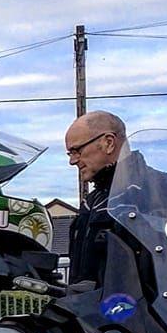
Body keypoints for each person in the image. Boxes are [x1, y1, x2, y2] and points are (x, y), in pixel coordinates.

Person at [63, 110, 126, 286]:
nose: (73, 161)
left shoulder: (155, 190)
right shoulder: (92, 201)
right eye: (70, 154)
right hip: (88, 310)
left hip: (133, 311)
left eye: (76, 150)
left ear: (108, 143)